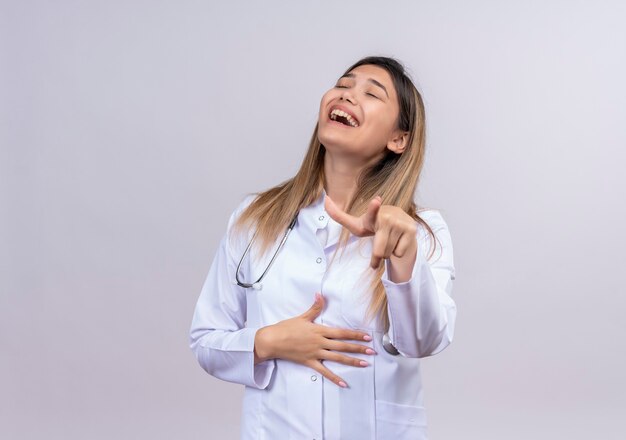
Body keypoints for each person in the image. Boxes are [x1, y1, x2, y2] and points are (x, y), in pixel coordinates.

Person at [189, 55, 457, 440]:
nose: (347, 95)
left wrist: (403, 258)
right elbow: (205, 340)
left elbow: (421, 342)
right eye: (344, 85)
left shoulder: (421, 232)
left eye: (371, 93)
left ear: (398, 139)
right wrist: (268, 342)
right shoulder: (254, 217)